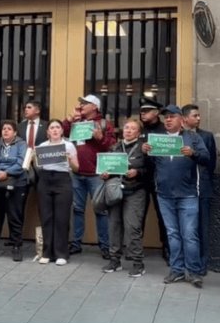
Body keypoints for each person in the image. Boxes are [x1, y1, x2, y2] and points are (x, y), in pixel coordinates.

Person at [142, 105, 210, 287]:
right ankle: (177, 270)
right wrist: (145, 151)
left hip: (188, 194)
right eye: (166, 117)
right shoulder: (158, 139)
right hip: (164, 194)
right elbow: (150, 163)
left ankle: (194, 272)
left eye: (172, 117)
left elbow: (206, 158)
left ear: (181, 119)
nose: (168, 120)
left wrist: (193, 153)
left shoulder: (193, 137)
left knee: (189, 235)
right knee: (172, 234)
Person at [62, 94, 116, 258]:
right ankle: (76, 244)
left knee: (101, 211)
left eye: (85, 103)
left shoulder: (104, 124)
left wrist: (100, 138)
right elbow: (62, 132)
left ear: (94, 106)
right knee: (77, 210)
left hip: (96, 175)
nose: (81, 105)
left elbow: (113, 146)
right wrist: (70, 119)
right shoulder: (77, 122)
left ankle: (105, 246)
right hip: (77, 174)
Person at [102, 118, 148, 277]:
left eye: (132, 128)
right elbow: (107, 167)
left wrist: (138, 172)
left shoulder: (144, 148)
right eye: (126, 127)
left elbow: (151, 169)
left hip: (135, 191)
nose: (128, 130)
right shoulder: (114, 147)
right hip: (116, 191)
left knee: (132, 227)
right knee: (114, 225)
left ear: (139, 132)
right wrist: (105, 174)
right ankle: (114, 260)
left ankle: (138, 263)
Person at [0, 120, 29, 261]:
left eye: (9, 129)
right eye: (4, 129)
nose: (6, 131)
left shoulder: (22, 145)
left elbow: (21, 163)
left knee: (14, 216)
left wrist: (7, 172)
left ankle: (16, 246)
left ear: (15, 132)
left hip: (17, 184)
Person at [35, 119, 78, 266]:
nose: (54, 130)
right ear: (47, 131)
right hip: (45, 179)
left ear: (62, 131)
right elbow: (38, 166)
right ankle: (47, 253)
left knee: (61, 218)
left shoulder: (69, 145)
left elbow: (77, 168)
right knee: (46, 217)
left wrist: (70, 159)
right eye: (52, 127)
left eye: (57, 127)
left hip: (63, 180)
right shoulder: (42, 146)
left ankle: (61, 253)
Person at [181, 104, 217, 275]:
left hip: (202, 186)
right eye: (195, 115)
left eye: (199, 115)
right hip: (181, 186)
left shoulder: (206, 136)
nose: (198, 118)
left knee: (202, 226)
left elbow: (211, 162)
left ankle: (201, 263)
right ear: (185, 118)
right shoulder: (177, 136)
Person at [139, 96, 169, 263]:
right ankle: (135, 248)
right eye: (142, 111)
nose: (143, 114)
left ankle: (166, 247)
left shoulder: (164, 130)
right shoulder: (139, 130)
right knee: (138, 215)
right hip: (140, 178)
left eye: (147, 111)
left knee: (162, 214)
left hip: (159, 178)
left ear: (156, 113)